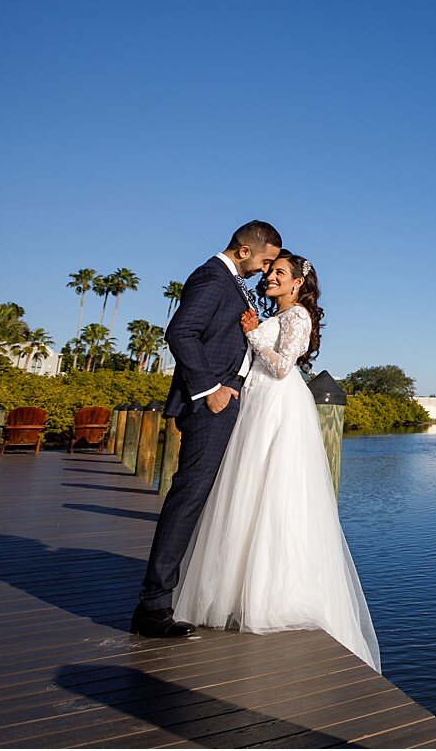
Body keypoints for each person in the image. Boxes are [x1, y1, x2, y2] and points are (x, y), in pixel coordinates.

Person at [171, 251, 381, 671]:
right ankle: (233, 588)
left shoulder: (298, 317)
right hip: (256, 402)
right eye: (270, 271)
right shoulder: (271, 313)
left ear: (298, 283)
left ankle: (272, 596)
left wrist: (255, 336)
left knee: (275, 493)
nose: (270, 277)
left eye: (279, 273)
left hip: (280, 406)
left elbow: (285, 367)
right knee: (243, 491)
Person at [133, 220, 282, 638]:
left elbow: (213, 336)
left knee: (201, 499)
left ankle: (174, 596)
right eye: (265, 260)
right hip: (210, 405)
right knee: (189, 498)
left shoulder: (229, 282)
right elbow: (180, 333)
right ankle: (153, 606)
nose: (265, 270)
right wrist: (210, 389)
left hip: (225, 402)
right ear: (244, 250)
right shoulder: (213, 277)